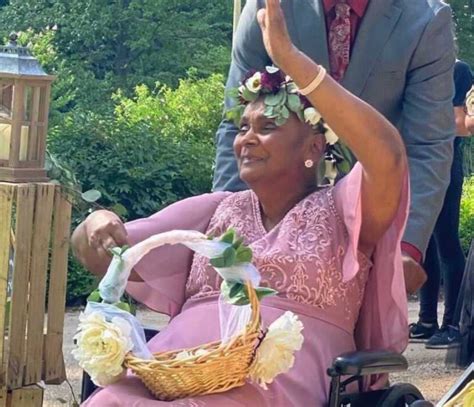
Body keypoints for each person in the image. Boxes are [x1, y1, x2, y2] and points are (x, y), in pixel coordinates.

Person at [74, 1, 409, 405]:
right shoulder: (216, 208)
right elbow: (105, 254)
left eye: (267, 127)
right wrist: (96, 223)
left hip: (272, 380)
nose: (245, 139)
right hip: (176, 370)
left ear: (315, 146)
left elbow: (388, 155)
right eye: (243, 127)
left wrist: (290, 59)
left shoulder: (345, 209)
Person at [212, 0, 456, 295]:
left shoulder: (427, 20)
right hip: (274, 217)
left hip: (367, 225)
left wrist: (404, 247)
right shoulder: (270, 6)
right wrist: (231, 227)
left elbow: (427, 145)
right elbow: (235, 123)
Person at [409, 60, 473, 348]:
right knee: (423, 243)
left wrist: (422, 124)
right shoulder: (417, 71)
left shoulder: (458, 71)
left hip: (444, 164)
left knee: (446, 242)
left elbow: (462, 126)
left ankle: (453, 324)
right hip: (417, 166)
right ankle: (426, 320)